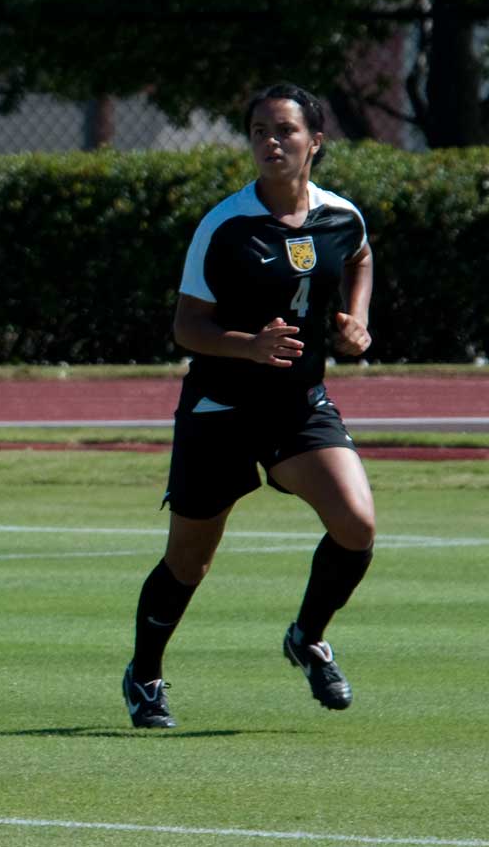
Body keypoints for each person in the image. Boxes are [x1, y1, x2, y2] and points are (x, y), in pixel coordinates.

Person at [122, 83, 376, 729]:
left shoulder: (340, 216)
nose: (271, 141)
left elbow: (360, 256)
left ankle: (308, 637)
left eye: (285, 130)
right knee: (189, 561)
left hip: (299, 406)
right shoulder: (226, 226)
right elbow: (187, 327)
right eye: (260, 130)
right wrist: (249, 346)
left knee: (356, 525)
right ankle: (144, 675)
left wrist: (356, 320)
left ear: (315, 141)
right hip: (221, 409)